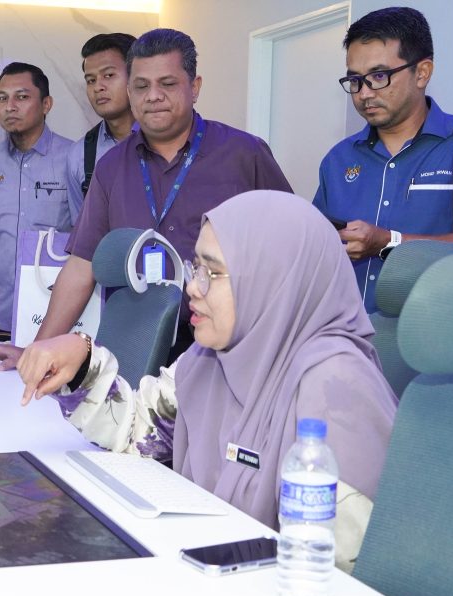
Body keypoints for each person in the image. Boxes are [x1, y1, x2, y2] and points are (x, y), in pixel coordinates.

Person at [0, 191, 397, 569]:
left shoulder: (336, 387)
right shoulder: (210, 359)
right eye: (196, 268)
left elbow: (340, 572)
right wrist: (82, 362)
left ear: (274, 282)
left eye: (214, 273)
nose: (192, 286)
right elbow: (139, 429)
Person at [30, 27, 292, 355]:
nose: (153, 96)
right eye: (141, 86)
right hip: (135, 346)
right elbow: (82, 266)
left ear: (194, 87)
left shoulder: (244, 154)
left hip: (230, 347)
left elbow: (292, 244)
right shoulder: (110, 167)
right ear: (130, 91)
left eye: (167, 84)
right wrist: (36, 349)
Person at [314, 6, 453, 313]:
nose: (363, 94)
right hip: (346, 335)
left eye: (379, 76)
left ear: (422, 73)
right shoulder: (338, 160)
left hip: (435, 334)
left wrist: (390, 242)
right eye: (354, 80)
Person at [0, 62, 74, 340]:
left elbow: (85, 234)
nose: (10, 106)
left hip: (59, 312)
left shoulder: (73, 157)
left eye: (22, 97)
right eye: (2, 98)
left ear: (46, 104)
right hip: (3, 312)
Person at [66, 32, 137, 225]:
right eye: (91, 80)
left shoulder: (166, 140)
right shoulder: (80, 155)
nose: (98, 87)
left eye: (108, 75)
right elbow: (82, 233)